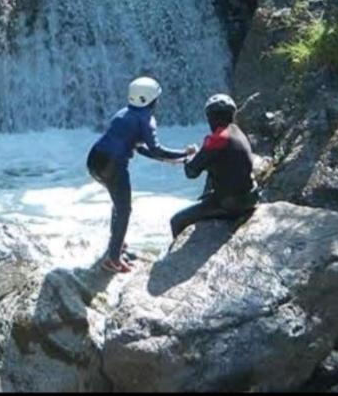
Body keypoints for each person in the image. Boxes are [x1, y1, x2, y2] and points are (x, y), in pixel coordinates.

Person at [87, 77, 196, 274]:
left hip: (95, 161)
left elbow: (140, 148)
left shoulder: (123, 114)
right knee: (124, 209)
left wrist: (173, 159)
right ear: (151, 100)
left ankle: (116, 245)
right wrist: (184, 154)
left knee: (118, 204)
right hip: (113, 166)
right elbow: (156, 150)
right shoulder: (146, 119)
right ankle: (113, 259)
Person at [171, 94, 259, 238]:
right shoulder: (237, 132)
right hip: (251, 197)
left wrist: (189, 157)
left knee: (176, 221)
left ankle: (179, 259)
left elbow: (191, 172)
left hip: (231, 203)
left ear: (210, 118)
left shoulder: (217, 139)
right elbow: (221, 160)